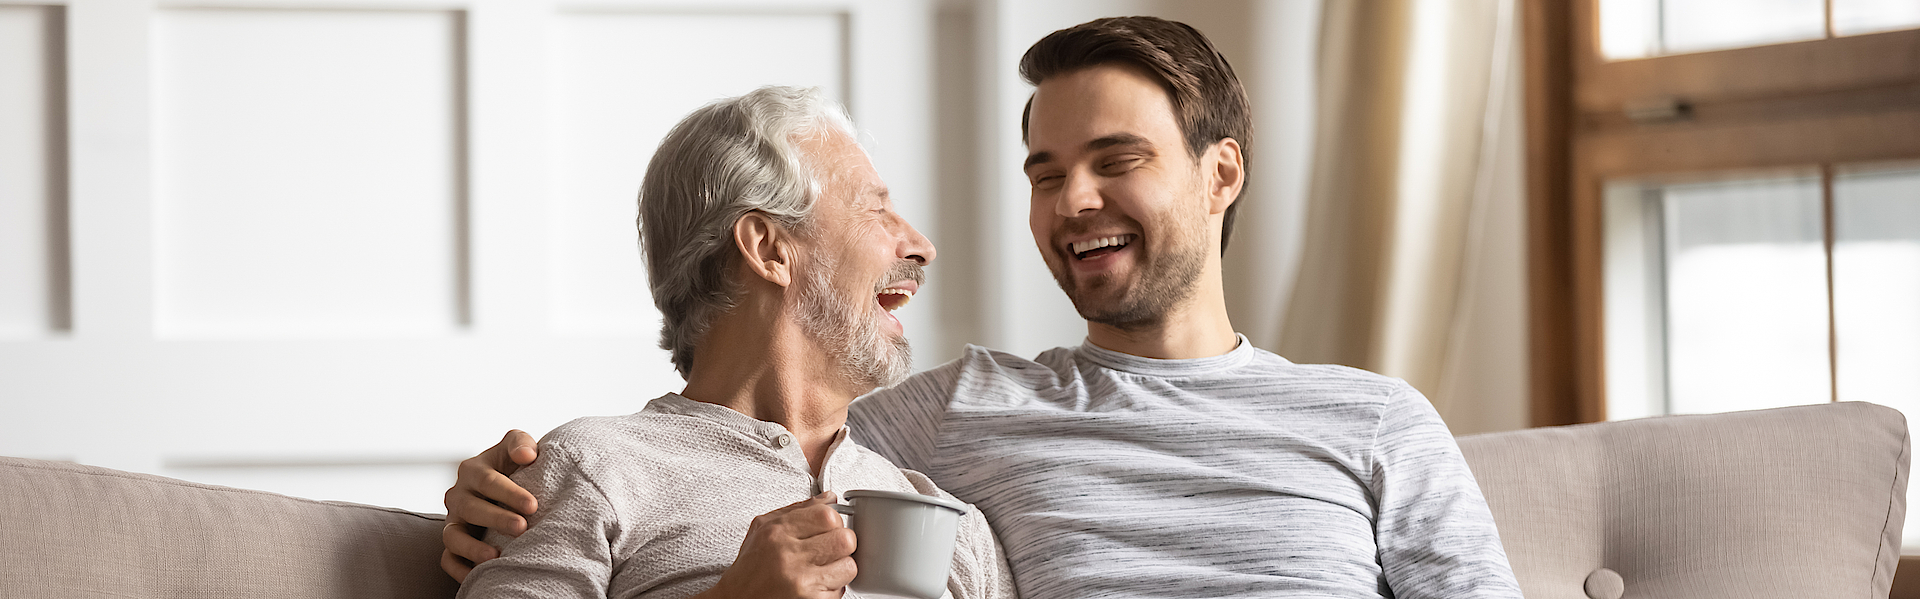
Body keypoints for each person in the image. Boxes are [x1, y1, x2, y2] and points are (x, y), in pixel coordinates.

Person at [446, 17, 1522, 598]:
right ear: (768, 242)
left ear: (1221, 173)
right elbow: (746, 424)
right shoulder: (962, 412)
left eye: (1116, 160)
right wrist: (502, 493)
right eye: (1045, 172)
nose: (1073, 200)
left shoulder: (1374, 419)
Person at [452, 86, 1013, 599]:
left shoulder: (950, 522)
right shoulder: (593, 470)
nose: (921, 245)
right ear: (768, 249)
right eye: (876, 209)